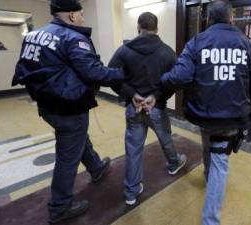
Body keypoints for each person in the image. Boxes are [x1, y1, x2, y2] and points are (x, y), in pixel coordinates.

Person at [12, 0, 124, 223]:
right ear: (72, 15)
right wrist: (123, 74)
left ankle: (96, 167)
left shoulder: (34, 34)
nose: (83, 18)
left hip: (46, 105)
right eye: (81, 14)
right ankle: (59, 206)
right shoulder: (73, 37)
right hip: (69, 106)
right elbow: (94, 73)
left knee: (75, 138)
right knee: (67, 156)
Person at [160, 1, 251, 224]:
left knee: (209, 145)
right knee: (219, 160)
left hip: (203, 114)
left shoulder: (196, 42)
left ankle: (210, 180)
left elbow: (180, 77)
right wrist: (250, 117)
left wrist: (162, 81)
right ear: (231, 19)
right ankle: (211, 218)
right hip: (231, 117)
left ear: (207, 20)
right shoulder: (245, 43)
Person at [108, 12, 187, 206]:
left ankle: (131, 192)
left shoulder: (124, 51)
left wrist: (131, 95)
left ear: (138, 27)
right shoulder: (168, 52)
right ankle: (174, 164)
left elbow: (110, 76)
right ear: (157, 28)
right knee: (166, 138)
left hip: (134, 109)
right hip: (157, 108)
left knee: (133, 149)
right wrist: (156, 97)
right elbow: (176, 82)